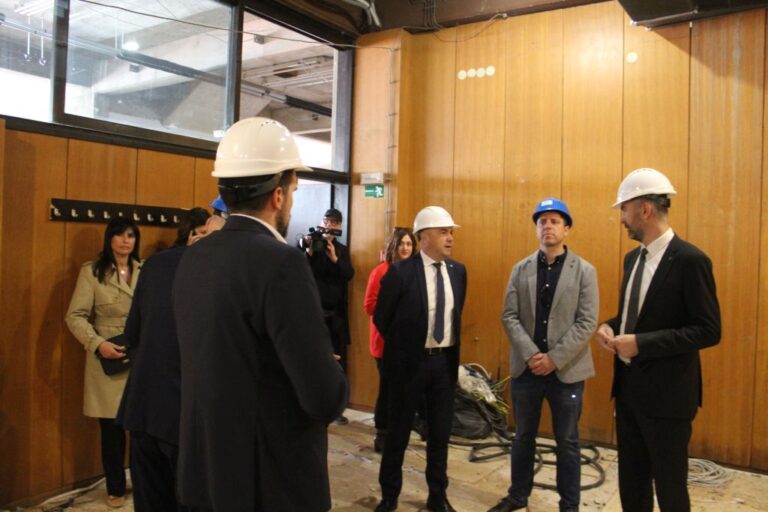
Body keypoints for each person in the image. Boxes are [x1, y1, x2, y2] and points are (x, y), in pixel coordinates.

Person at [172, 117, 348, 512]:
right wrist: (328, 367)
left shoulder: (194, 257)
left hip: (207, 473)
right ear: (279, 196)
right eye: (294, 190)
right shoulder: (281, 262)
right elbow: (323, 397)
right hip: (267, 482)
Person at [595, 168, 721, 512]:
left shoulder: (691, 260)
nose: (621, 218)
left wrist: (642, 344)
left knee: (670, 489)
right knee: (632, 484)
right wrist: (609, 326)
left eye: (624, 209)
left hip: (668, 399)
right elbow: (634, 316)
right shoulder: (632, 259)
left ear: (645, 210)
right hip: (628, 393)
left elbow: (708, 329)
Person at [488, 198, 598, 512]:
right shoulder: (520, 269)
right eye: (542, 221)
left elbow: (587, 322)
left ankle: (569, 505)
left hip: (567, 372)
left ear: (567, 229)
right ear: (537, 228)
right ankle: (517, 496)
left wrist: (553, 359)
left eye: (554, 221)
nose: (547, 226)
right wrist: (533, 355)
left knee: (568, 441)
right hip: (527, 371)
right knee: (523, 437)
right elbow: (509, 315)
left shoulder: (584, 271)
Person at [116, 206, 226, 511]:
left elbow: (132, 334)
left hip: (144, 407)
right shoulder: (221, 272)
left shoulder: (154, 264)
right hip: (189, 417)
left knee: (150, 501)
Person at [373, 206, 467, 512]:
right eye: (443, 232)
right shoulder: (400, 273)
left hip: (443, 365)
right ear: (424, 236)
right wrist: (406, 348)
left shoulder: (458, 272)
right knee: (398, 435)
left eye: (451, 232)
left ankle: (437, 497)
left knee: (440, 436)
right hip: (408, 366)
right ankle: (389, 497)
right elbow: (382, 318)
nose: (450, 238)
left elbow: (455, 315)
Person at [65, 217, 141, 509]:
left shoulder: (145, 270)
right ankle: (115, 488)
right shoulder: (92, 272)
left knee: (142, 429)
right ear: (109, 238)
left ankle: (143, 484)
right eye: (120, 235)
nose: (125, 241)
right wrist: (98, 344)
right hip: (107, 359)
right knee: (111, 431)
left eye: (131, 235)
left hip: (139, 357)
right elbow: (75, 316)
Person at [364, 227, 417, 452]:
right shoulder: (381, 271)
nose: (405, 248)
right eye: (401, 243)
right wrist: (395, 314)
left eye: (409, 244)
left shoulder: (414, 272)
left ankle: (399, 431)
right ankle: (382, 435)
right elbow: (369, 305)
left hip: (407, 343)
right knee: (387, 390)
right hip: (384, 342)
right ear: (393, 246)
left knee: (402, 391)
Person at [303, 207, 355, 424]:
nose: (329, 225)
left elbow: (349, 274)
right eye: (327, 221)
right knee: (314, 357)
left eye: (334, 222)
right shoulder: (312, 244)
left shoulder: (342, 250)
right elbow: (300, 271)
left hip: (336, 316)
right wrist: (309, 252)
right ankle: (311, 402)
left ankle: (337, 407)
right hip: (314, 313)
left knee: (339, 360)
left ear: (340, 225)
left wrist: (334, 258)